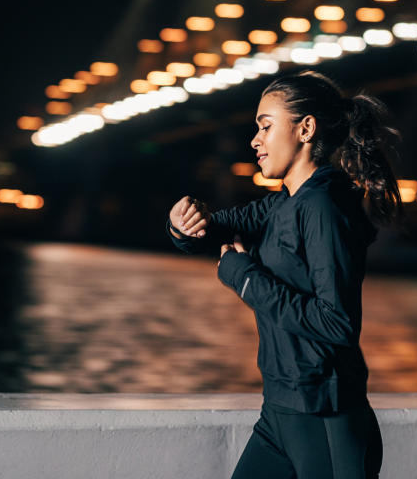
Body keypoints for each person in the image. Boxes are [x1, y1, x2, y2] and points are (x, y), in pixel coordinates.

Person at [165, 70, 403, 479]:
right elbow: (212, 228)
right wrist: (181, 225)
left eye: (266, 126)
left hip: (325, 417)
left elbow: (338, 322)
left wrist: (245, 279)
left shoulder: (324, 207)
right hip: (279, 413)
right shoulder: (281, 206)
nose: (255, 140)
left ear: (305, 128)